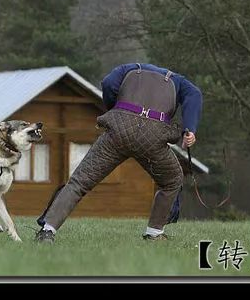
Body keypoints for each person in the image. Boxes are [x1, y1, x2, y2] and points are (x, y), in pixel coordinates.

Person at [35, 63, 202, 242]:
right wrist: (189, 129)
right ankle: (154, 233)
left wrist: (115, 109)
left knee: (79, 182)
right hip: (153, 136)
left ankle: (47, 231)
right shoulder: (177, 80)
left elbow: (108, 84)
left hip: (118, 131)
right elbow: (194, 95)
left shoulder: (129, 68)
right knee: (172, 180)